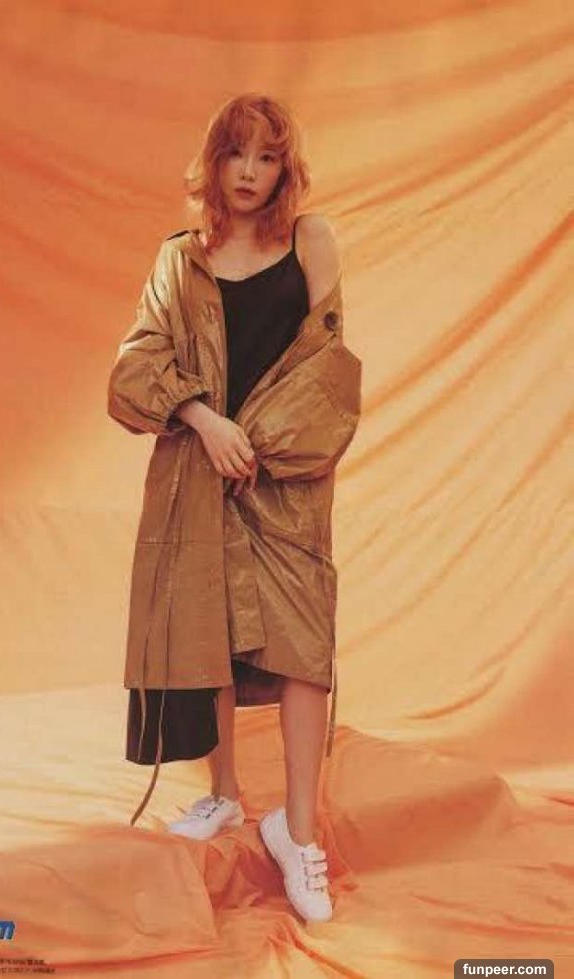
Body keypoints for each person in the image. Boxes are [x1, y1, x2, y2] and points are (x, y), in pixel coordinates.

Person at [107, 93, 362, 923]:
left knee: (302, 647)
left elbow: (328, 364)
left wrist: (260, 442)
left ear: (286, 169)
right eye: (236, 153)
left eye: (267, 157)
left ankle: (298, 829)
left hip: (286, 473)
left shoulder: (310, 241)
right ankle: (223, 792)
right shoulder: (180, 260)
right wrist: (205, 421)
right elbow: (135, 365)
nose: (249, 171)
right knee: (208, 628)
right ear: (214, 162)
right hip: (201, 470)